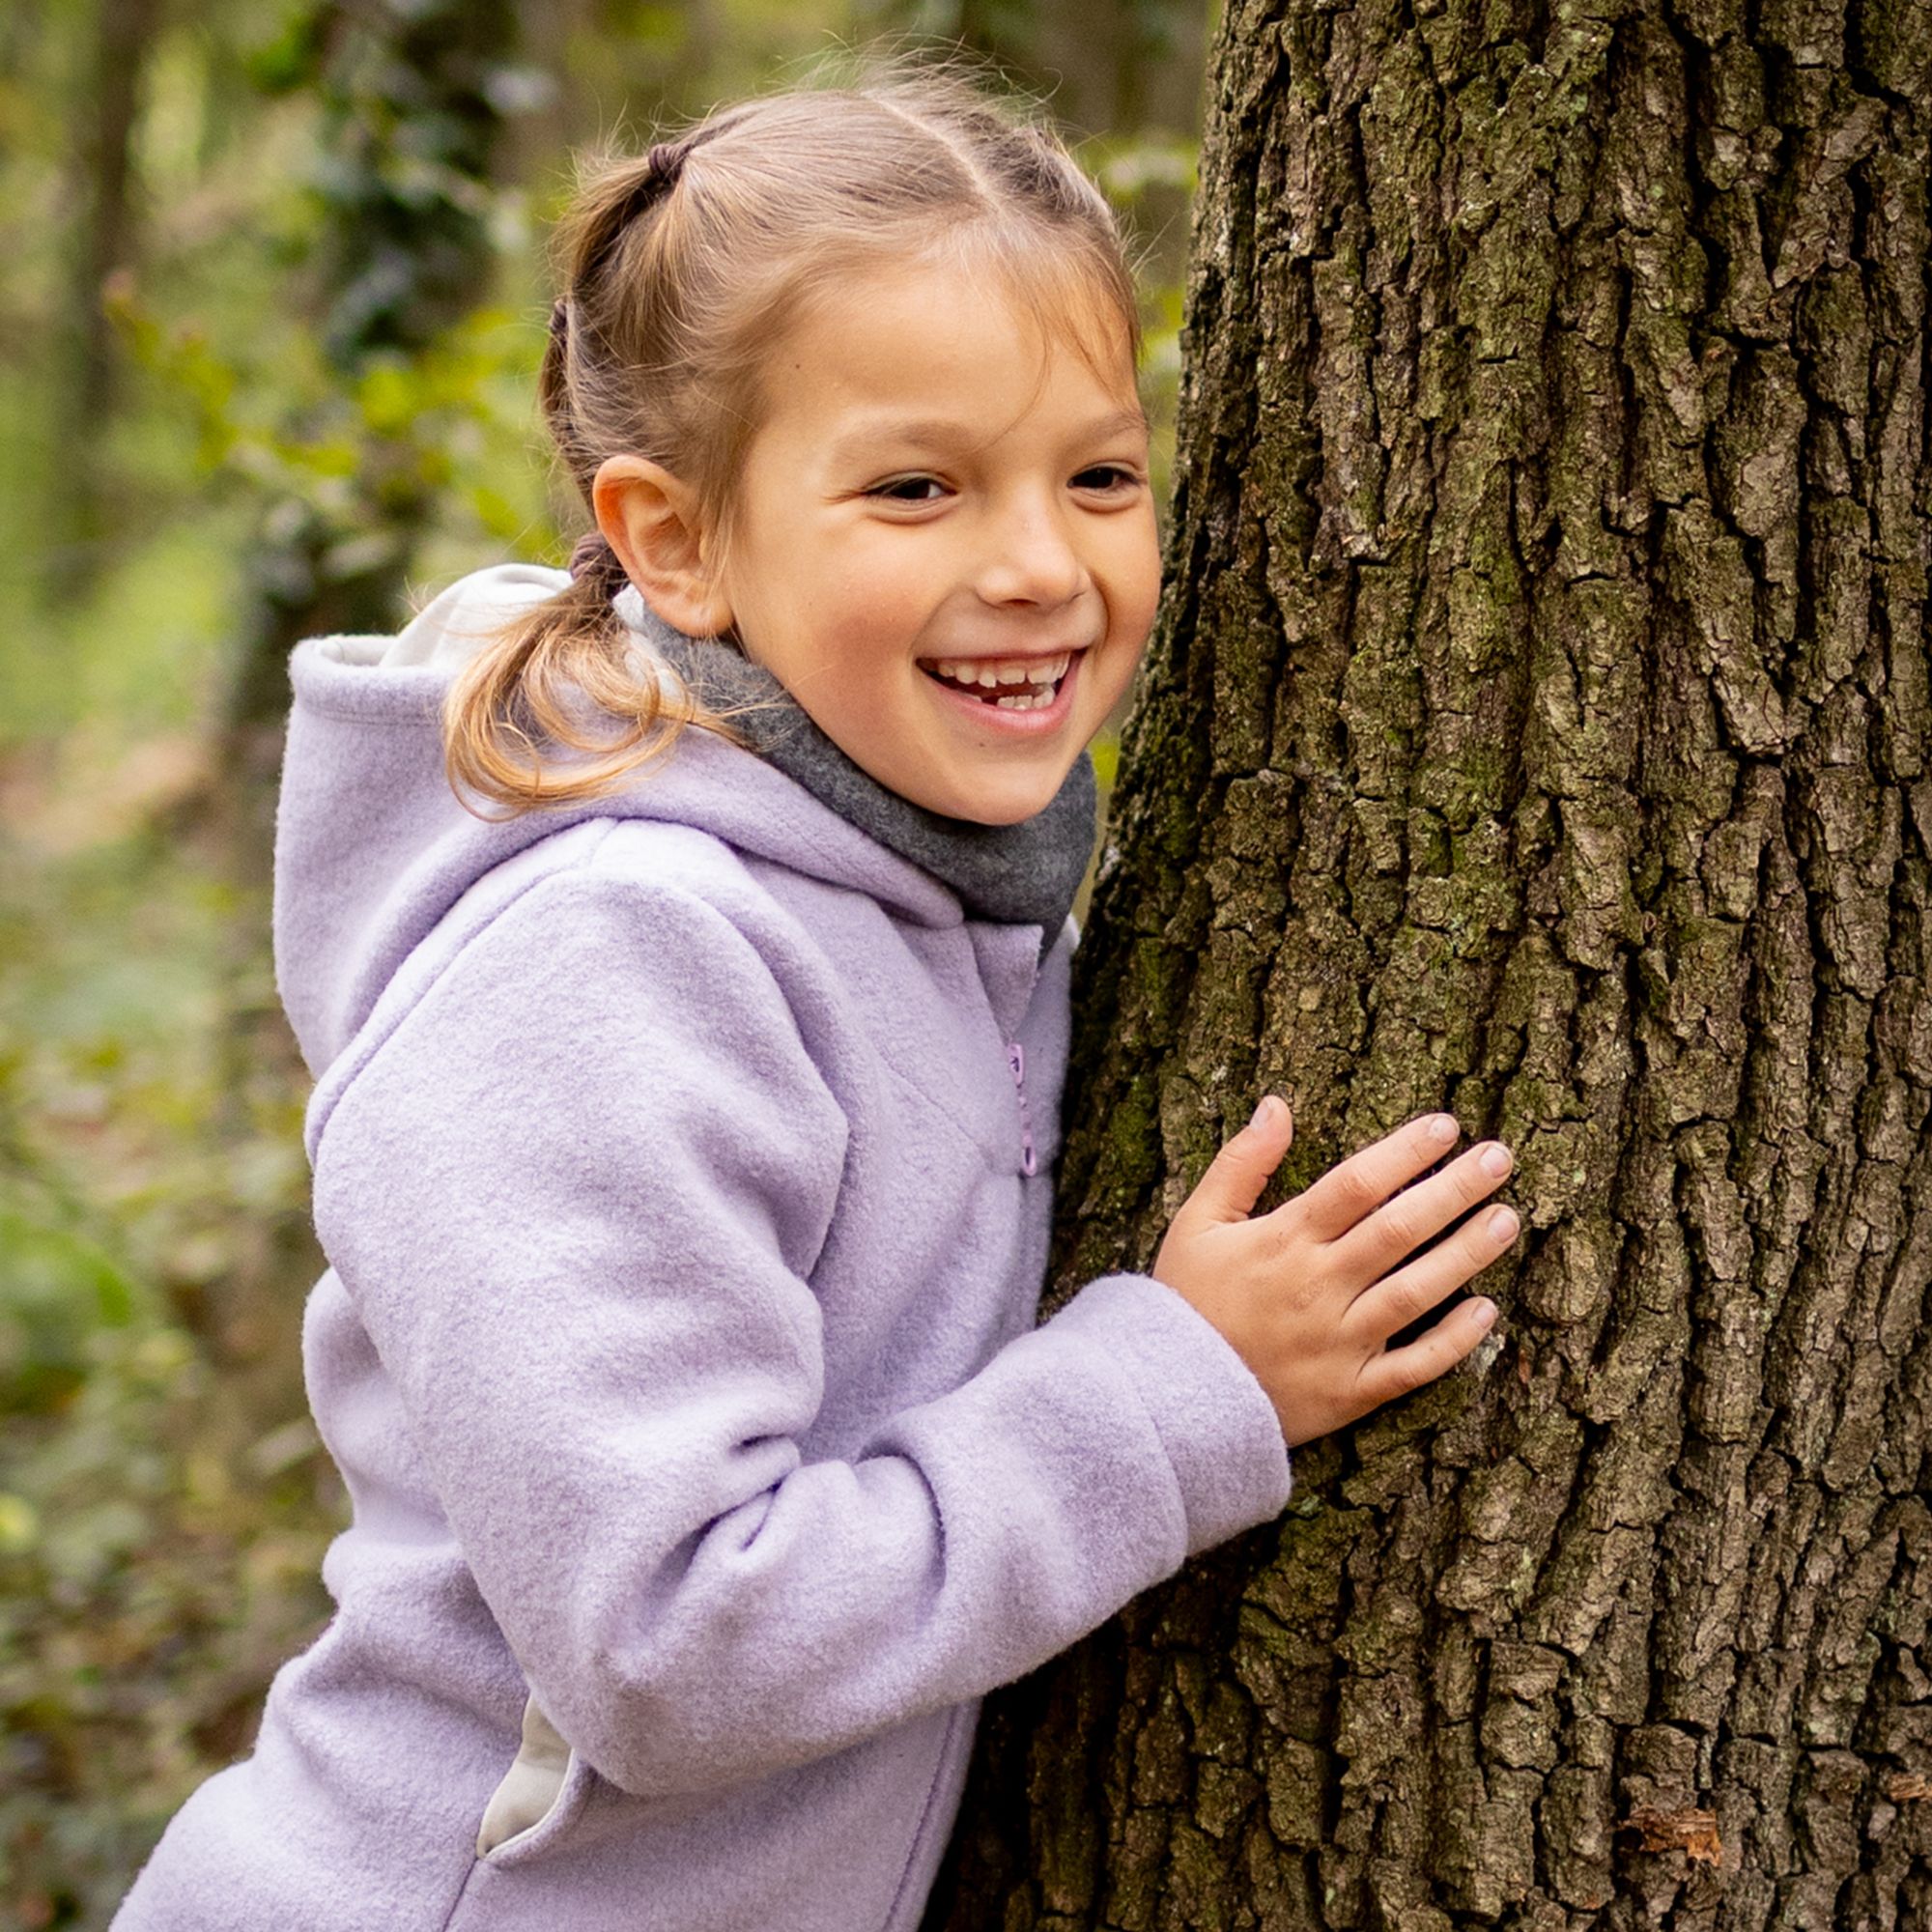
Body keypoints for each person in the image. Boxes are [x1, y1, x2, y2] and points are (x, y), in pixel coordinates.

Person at [114, 58, 1517, 1932]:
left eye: (1097, 472)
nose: (1036, 562)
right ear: (677, 538)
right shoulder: (614, 954)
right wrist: (1176, 1395)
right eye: (917, 486)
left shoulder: (930, 870)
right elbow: (669, 1634)